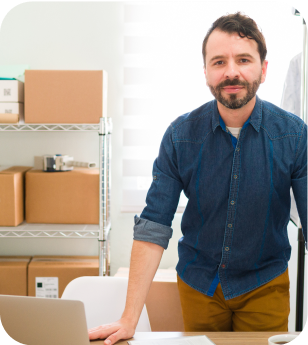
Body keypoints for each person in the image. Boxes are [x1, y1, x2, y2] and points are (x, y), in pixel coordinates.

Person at [89, 12, 308, 343]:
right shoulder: (180, 136)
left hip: (264, 285)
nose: (231, 71)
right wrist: (128, 319)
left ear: (263, 70)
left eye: (244, 59)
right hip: (199, 285)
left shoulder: (294, 135)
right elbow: (153, 227)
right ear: (206, 72)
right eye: (219, 61)